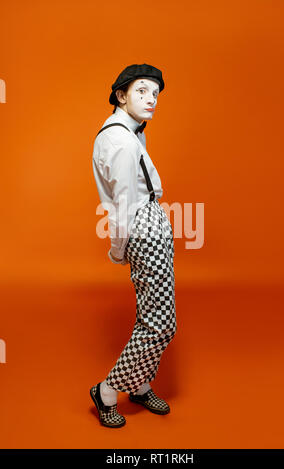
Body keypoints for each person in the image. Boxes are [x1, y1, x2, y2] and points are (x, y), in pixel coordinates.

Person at [91, 64, 177, 428]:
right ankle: (107, 390)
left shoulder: (130, 133)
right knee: (162, 324)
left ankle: (139, 384)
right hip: (142, 227)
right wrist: (118, 248)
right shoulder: (120, 140)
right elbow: (122, 204)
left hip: (151, 221)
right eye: (142, 91)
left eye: (155, 93)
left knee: (151, 316)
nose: (151, 99)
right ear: (121, 95)